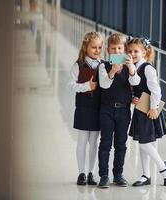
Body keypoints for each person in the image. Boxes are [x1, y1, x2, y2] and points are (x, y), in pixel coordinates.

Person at [127, 37, 166, 186]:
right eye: (130, 51)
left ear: (144, 52)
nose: (132, 54)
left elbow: (156, 90)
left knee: (145, 143)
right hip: (140, 108)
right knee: (143, 143)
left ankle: (164, 168)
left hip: (148, 110)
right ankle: (146, 175)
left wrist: (154, 107)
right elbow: (136, 86)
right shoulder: (133, 67)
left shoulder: (147, 68)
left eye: (136, 51)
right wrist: (134, 98)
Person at [97, 33, 140, 188]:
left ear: (125, 50)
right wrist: (112, 71)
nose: (116, 52)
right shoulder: (104, 66)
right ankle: (103, 175)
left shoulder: (130, 66)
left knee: (121, 144)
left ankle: (118, 174)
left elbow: (135, 81)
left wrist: (130, 68)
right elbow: (104, 85)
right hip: (106, 110)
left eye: (120, 48)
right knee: (105, 143)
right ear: (108, 50)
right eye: (113, 49)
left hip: (124, 111)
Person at [68, 32, 103, 185]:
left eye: (100, 47)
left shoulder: (104, 64)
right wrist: (86, 86)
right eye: (93, 47)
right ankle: (81, 173)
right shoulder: (78, 65)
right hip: (83, 107)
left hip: (98, 108)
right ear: (86, 47)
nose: (97, 50)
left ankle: (91, 173)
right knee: (82, 140)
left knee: (94, 141)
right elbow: (71, 85)